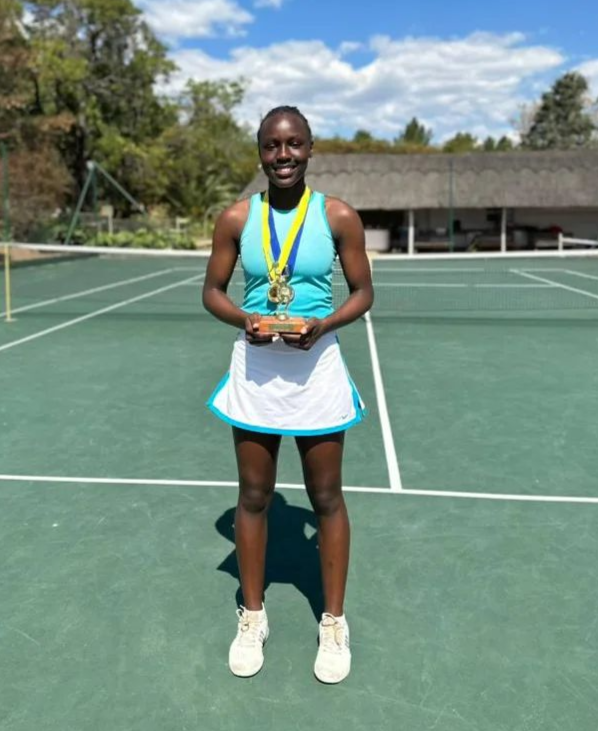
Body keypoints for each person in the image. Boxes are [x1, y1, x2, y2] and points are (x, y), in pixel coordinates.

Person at [202, 105, 374, 684]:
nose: (284, 155)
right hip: (255, 368)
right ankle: (252, 615)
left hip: (316, 367)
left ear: (309, 149)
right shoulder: (234, 218)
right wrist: (244, 319)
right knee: (253, 494)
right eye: (273, 145)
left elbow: (362, 292)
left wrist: (323, 325)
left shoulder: (338, 216)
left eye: (294, 144)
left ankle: (333, 621)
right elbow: (212, 292)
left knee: (326, 497)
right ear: (259, 152)